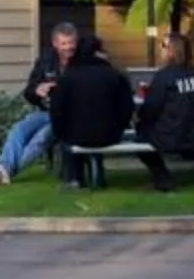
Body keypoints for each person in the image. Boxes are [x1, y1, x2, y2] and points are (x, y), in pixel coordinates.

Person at [0, 20, 81, 184]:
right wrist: (37, 90)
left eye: (72, 43)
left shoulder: (83, 61)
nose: (68, 47)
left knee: (41, 138)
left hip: (68, 117)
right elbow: (28, 92)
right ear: (55, 43)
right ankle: (3, 168)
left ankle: (4, 171)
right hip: (46, 112)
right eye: (64, 43)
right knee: (19, 128)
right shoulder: (46, 60)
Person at [48, 33, 138, 188]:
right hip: (111, 134)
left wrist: (60, 132)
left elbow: (56, 109)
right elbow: (127, 107)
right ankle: (96, 175)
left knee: (71, 134)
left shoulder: (68, 77)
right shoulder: (115, 75)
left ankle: (75, 178)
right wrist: (120, 126)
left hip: (76, 136)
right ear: (98, 52)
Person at [130, 31, 194, 193]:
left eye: (163, 46)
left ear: (171, 50)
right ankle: (188, 155)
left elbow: (151, 109)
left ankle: (162, 178)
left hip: (172, 136)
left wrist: (139, 119)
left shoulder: (164, 76)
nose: (160, 49)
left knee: (140, 138)